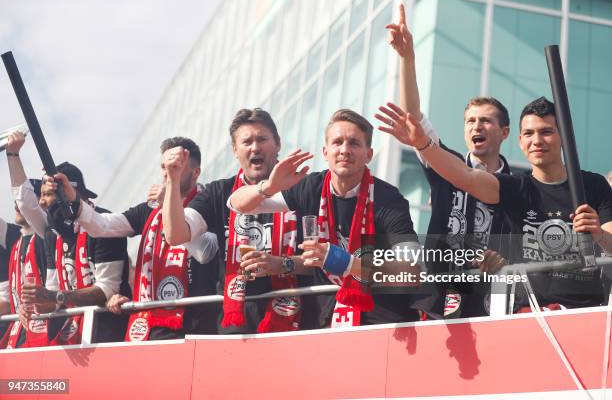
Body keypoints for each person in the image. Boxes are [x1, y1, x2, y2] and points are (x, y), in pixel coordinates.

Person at [377, 96, 612, 310]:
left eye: (546, 132)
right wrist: (422, 144)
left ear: (564, 137)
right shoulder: (515, 188)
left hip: (585, 314)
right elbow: (464, 175)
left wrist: (599, 235)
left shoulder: (593, 186)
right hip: (528, 316)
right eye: (529, 134)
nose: (537, 141)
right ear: (520, 141)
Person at [228, 109, 427, 328]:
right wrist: (269, 187)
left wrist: (348, 263)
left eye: (354, 143)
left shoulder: (389, 199)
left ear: (369, 154)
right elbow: (237, 204)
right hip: (325, 321)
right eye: (337, 142)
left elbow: (411, 272)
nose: (344, 150)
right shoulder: (310, 187)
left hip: (382, 324)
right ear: (325, 151)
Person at [384, 4, 512, 317]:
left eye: (485, 121)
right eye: (470, 121)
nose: (476, 127)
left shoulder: (518, 185)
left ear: (505, 132)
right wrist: (407, 58)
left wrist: (505, 258)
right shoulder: (443, 161)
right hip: (439, 299)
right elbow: (413, 119)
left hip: (493, 301)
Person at [47, 137, 220, 340]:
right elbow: (103, 226)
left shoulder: (210, 202)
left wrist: (170, 206)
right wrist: (74, 199)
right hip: (150, 323)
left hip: (196, 324)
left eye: (176, 167)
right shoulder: (149, 209)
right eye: (164, 167)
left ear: (195, 172)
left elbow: (205, 253)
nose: (168, 173)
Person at [161, 109, 305, 334]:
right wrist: (173, 179)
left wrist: (281, 264)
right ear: (235, 151)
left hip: (296, 317)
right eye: (246, 141)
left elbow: (323, 261)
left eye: (262, 139)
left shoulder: (303, 186)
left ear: (277, 143)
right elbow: (176, 235)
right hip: (235, 321)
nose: (255, 147)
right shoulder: (219, 192)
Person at [6, 131, 131, 343]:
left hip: (108, 330)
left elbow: (106, 290)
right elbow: (25, 203)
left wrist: (56, 297)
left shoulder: (104, 224)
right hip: (71, 330)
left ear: (68, 191)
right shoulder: (52, 231)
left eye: (47, 195)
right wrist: (35, 303)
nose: (42, 202)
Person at [0, 180, 51, 349]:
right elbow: (9, 300)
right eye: (14, 202)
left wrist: (13, 156)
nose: (16, 206)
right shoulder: (17, 244)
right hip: (19, 333)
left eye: (21, 203)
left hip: (47, 329)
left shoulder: (48, 236)